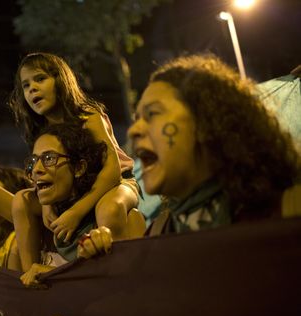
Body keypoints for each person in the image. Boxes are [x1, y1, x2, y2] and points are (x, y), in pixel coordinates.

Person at [80, 53, 301, 257]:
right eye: (137, 118)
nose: (134, 130)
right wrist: (104, 264)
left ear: (207, 123)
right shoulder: (160, 232)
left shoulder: (288, 209)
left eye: (153, 114)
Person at [8, 52, 143, 271]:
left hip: (118, 183)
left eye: (40, 79)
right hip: (75, 190)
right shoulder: (40, 130)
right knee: (21, 200)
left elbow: (112, 169)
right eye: (25, 85)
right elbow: (41, 174)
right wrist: (46, 205)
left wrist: (76, 212)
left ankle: (117, 273)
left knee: (109, 208)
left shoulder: (88, 116)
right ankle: (31, 275)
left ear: (60, 80)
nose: (32, 88)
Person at [18, 123, 146, 286]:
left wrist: (55, 275)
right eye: (34, 161)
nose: (37, 169)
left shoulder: (126, 219)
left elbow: (133, 287)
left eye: (49, 159)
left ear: (79, 168)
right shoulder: (41, 229)